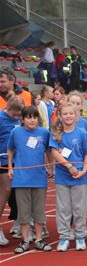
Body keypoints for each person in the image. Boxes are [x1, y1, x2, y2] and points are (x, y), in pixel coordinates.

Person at [7, 105, 52, 253]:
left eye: (34, 117)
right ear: (23, 119)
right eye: (28, 117)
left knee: (39, 210)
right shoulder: (16, 132)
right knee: (23, 211)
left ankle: (39, 239)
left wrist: (50, 167)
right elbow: (10, 149)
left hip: (39, 177)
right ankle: (25, 240)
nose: (32, 120)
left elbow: (48, 150)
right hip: (21, 178)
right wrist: (10, 167)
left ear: (38, 118)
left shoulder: (44, 132)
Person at [50, 103, 87, 251]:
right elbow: (55, 153)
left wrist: (85, 169)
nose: (68, 116)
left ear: (76, 116)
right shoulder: (56, 134)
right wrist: (69, 166)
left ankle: (80, 236)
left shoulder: (82, 133)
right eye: (65, 114)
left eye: (71, 113)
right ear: (60, 116)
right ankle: (64, 236)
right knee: (63, 208)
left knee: (79, 207)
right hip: (63, 177)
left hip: (80, 176)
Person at [0, 97, 24, 246]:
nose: (16, 117)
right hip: (1, 160)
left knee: (17, 192)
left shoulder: (19, 119)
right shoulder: (1, 118)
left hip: (15, 160)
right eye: (14, 114)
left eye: (18, 115)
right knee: (5, 190)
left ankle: (20, 223)